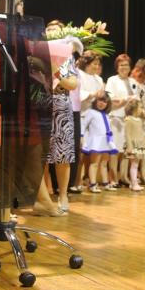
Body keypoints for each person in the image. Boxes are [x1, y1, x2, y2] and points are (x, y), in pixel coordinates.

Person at [46, 27, 80, 213]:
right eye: (49, 30)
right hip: (40, 105)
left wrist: (56, 70)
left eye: (55, 31)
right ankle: (43, 195)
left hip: (60, 108)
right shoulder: (35, 54)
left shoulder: (65, 58)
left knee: (62, 154)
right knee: (40, 155)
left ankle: (63, 194)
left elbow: (72, 84)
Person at [71, 51, 109, 192]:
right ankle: (76, 182)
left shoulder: (98, 79)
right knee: (80, 152)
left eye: (98, 64)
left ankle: (90, 181)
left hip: (94, 119)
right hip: (81, 117)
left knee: (93, 152)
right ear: (86, 63)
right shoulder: (79, 75)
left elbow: (102, 98)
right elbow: (77, 94)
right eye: (94, 63)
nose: (96, 66)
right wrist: (93, 94)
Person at [105, 54, 140, 186]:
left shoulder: (133, 82)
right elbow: (110, 98)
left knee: (127, 150)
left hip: (130, 120)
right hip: (116, 117)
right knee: (116, 150)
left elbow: (137, 97)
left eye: (126, 65)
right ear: (117, 67)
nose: (124, 67)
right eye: (121, 65)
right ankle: (113, 178)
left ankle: (124, 177)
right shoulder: (112, 80)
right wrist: (126, 99)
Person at [81, 93, 118, 192]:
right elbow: (83, 125)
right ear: (95, 101)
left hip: (106, 141)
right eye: (100, 100)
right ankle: (92, 184)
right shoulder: (91, 112)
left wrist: (111, 140)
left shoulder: (106, 115)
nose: (102, 103)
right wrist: (82, 136)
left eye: (105, 101)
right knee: (94, 163)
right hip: (96, 141)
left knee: (104, 163)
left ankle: (105, 183)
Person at [124, 100, 145, 191]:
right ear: (134, 109)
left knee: (135, 165)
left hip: (139, 144)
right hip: (133, 146)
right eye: (140, 107)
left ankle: (133, 182)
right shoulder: (129, 120)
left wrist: (143, 143)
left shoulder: (139, 120)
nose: (142, 110)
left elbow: (140, 133)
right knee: (134, 165)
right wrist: (129, 146)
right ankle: (134, 184)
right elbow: (127, 134)